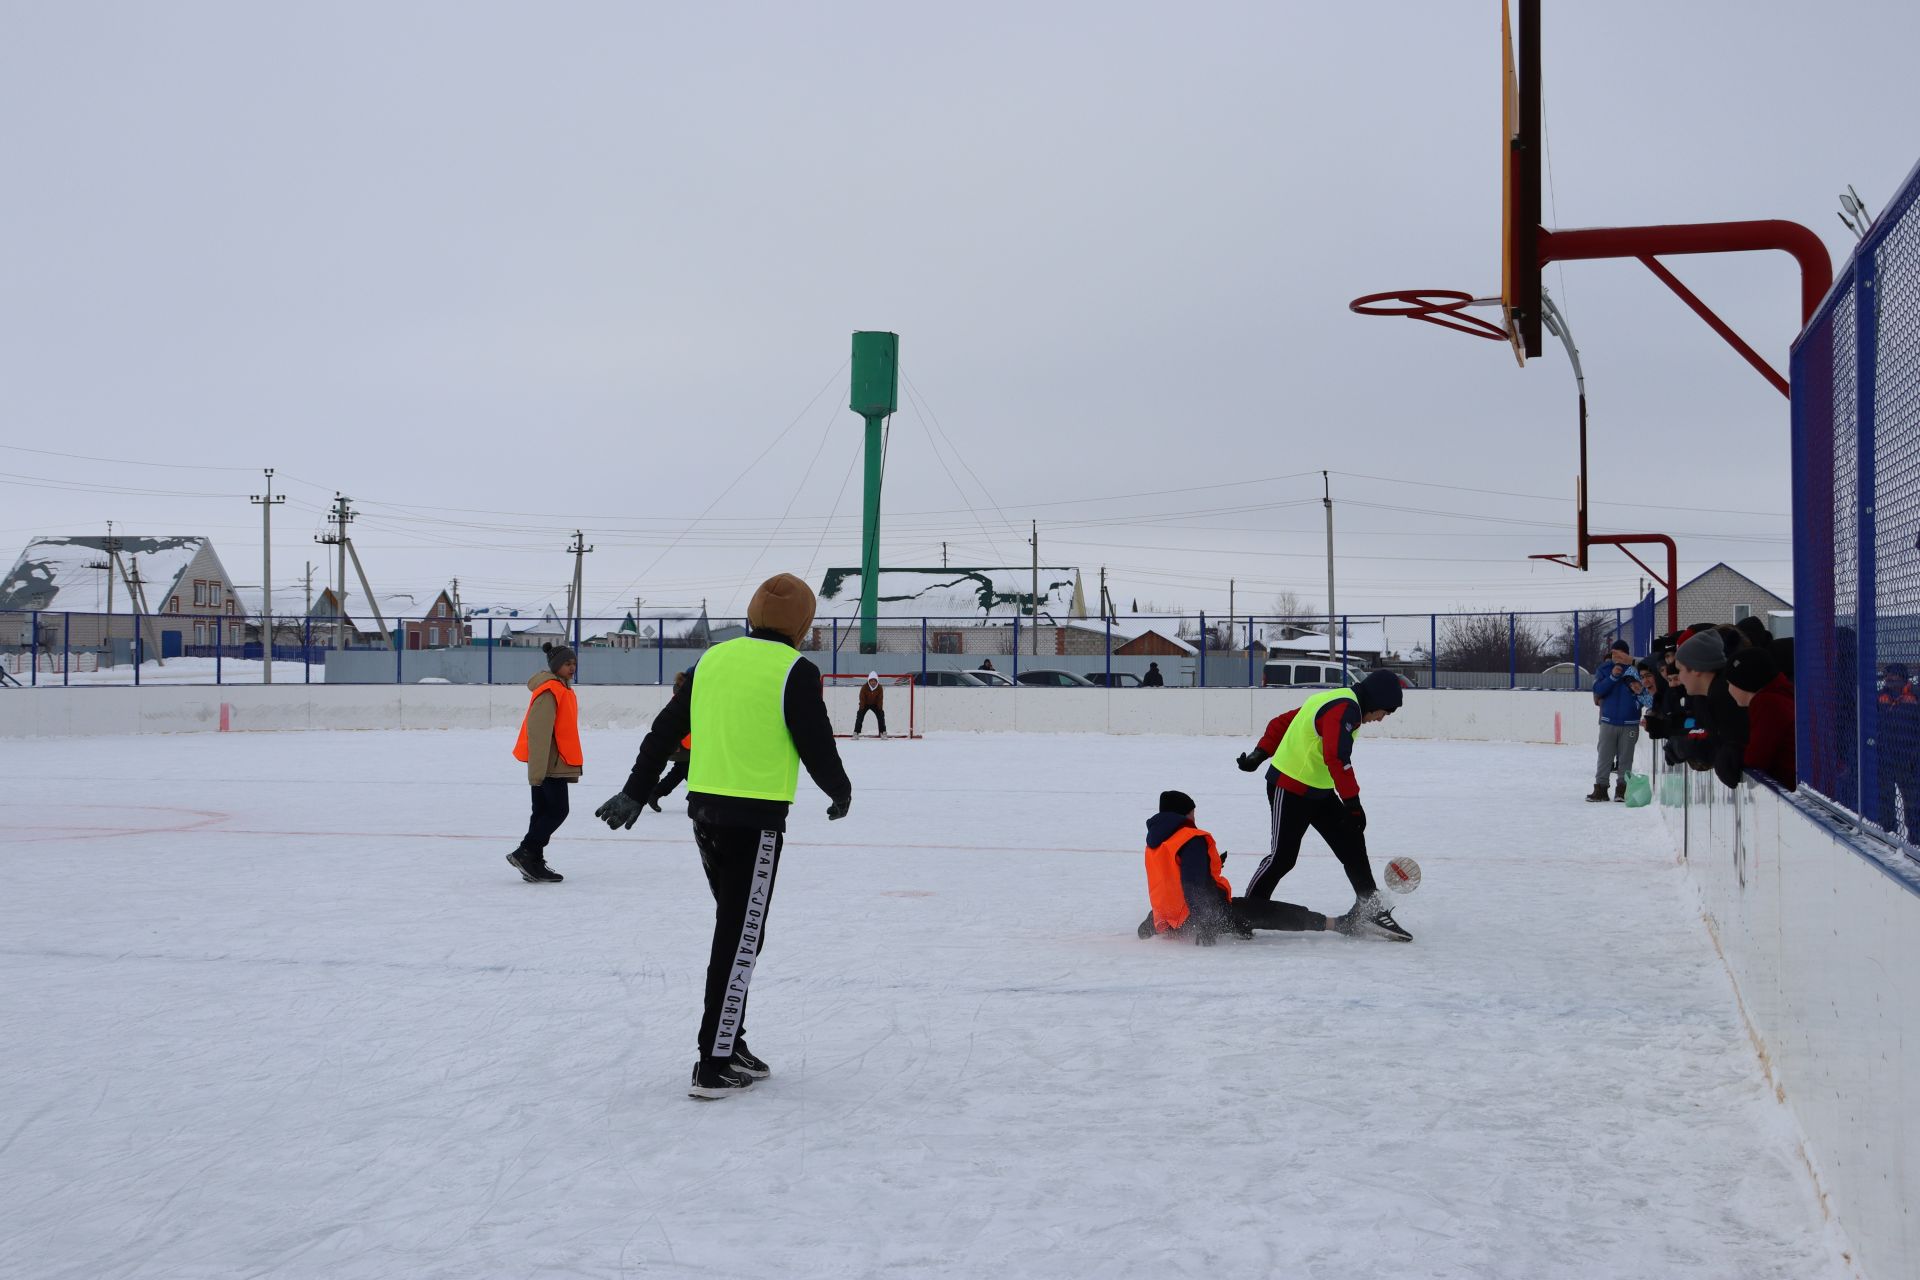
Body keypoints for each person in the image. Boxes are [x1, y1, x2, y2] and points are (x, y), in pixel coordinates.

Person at [593, 572, 852, 1100]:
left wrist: (635, 791)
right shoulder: (795, 670)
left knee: (738, 933)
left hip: (705, 816)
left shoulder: (711, 659)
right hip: (754, 823)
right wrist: (839, 788)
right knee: (739, 937)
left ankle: (729, 1041)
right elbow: (815, 740)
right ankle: (712, 1062)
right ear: (803, 623)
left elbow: (663, 730)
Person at [1234, 670, 1412, 941]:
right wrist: (1352, 803)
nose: (1380, 719)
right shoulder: (1345, 708)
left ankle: (1370, 908)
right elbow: (1337, 757)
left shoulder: (1335, 699)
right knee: (1283, 857)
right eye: (1384, 712)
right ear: (1376, 700)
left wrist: (1260, 754)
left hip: (1318, 791)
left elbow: (1284, 722)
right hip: (1289, 787)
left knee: (1351, 840)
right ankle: (1246, 911)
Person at [1136, 790, 1337, 943]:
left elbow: (1171, 877)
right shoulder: (1190, 839)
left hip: (1166, 916)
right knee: (1266, 911)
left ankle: (1233, 923)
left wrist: (1151, 924)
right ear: (1182, 814)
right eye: (1192, 814)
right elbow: (1192, 884)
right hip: (1201, 914)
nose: (1194, 818)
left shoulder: (1157, 842)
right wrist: (1207, 922)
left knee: (1242, 916)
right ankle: (1331, 923)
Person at [508, 643, 580, 883]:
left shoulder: (561, 688)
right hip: (549, 764)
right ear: (556, 666)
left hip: (553, 761)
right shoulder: (550, 691)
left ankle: (533, 861)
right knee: (559, 810)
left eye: (574, 663)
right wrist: (537, 772)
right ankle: (526, 851)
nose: (572, 667)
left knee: (541, 812)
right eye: (567, 663)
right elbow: (538, 734)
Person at [1726, 646, 1796, 788]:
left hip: (1798, 787)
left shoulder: (1766, 703)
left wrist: (1735, 755)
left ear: (1743, 682)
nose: (1728, 690)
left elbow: (1756, 759)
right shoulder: (1780, 695)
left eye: (1729, 683)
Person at [1589, 640, 1643, 803]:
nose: (1616, 657)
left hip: (1630, 722)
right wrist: (1613, 676)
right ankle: (1601, 788)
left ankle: (1622, 790)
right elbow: (1598, 690)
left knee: (1626, 758)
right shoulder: (1604, 669)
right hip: (1608, 720)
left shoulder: (1636, 670)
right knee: (1604, 757)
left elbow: (1644, 691)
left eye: (1619, 654)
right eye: (1613, 654)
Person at [1875, 663, 1919, 838]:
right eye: (1886, 676)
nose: (1888, 680)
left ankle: (1915, 839)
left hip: (1909, 758)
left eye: (1892, 676)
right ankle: (1888, 833)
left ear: (1903, 678)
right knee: (1885, 798)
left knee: (1913, 801)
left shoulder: (1915, 696)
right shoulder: (1880, 697)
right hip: (1885, 756)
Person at [647, 671, 693, 810]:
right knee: (688, 771)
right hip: (682, 741)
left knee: (679, 771)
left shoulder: (684, 694)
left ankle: (655, 793)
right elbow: (677, 720)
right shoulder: (682, 696)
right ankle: (696, 796)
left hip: (688, 741)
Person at [855, 671, 888, 736]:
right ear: (869, 681)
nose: (873, 682)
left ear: (877, 681)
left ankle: (882, 732)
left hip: (875, 704)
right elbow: (862, 698)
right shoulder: (864, 687)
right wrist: (861, 708)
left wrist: (880, 708)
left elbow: (880, 699)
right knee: (859, 715)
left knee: (881, 715)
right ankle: (856, 732)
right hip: (865, 704)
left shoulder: (879, 688)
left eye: (874, 681)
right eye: (871, 680)